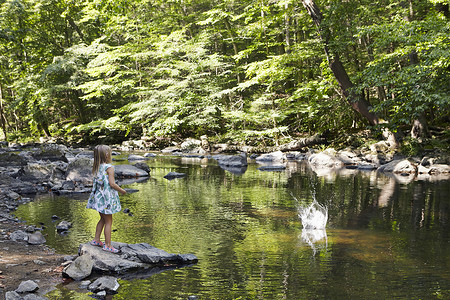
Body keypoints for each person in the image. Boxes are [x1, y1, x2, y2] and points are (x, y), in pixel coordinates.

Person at [86, 145, 126, 253]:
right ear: (107, 155)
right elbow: (112, 184)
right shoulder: (109, 167)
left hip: (98, 198)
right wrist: (122, 190)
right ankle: (108, 245)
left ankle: (96, 240)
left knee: (102, 219)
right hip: (106, 199)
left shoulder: (97, 167)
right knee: (109, 222)